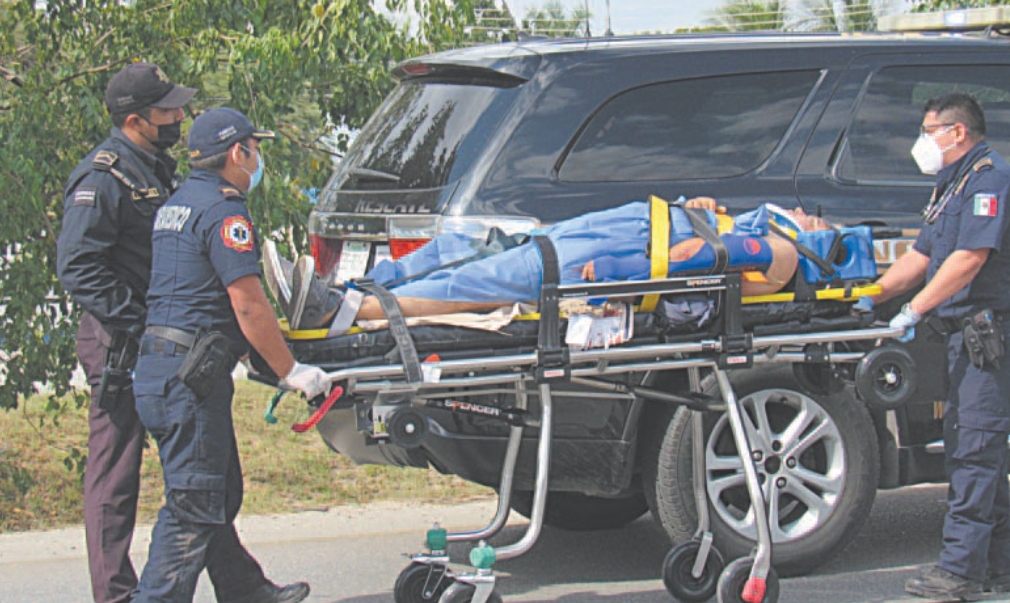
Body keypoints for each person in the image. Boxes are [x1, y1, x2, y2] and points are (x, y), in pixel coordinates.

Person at [130, 108, 332, 603]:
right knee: (194, 504)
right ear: (238, 152)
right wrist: (291, 370)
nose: (257, 159)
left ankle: (245, 590)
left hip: (161, 369)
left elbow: (194, 291)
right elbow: (247, 301)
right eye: (255, 149)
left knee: (216, 489)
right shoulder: (225, 212)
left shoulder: (178, 203)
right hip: (188, 378)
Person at [868, 93, 1010, 600]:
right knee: (980, 451)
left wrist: (914, 310)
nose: (923, 142)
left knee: (972, 453)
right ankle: (995, 566)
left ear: (957, 132)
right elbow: (923, 254)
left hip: (999, 336)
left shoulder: (991, 180)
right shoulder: (954, 184)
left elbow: (969, 258)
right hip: (972, 339)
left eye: (929, 131)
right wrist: (871, 296)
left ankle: (960, 572)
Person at [57, 62, 196, 603]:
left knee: (194, 466)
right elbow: (78, 267)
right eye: (168, 111)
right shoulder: (103, 176)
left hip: (158, 340)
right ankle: (113, 593)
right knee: (115, 478)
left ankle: (242, 584)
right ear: (136, 120)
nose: (179, 117)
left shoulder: (154, 168)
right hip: (121, 344)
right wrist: (137, 323)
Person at [275, 197, 833, 332]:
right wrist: (706, 210)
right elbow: (708, 242)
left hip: (614, 250)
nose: (810, 213)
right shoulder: (755, 227)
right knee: (475, 245)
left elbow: (695, 260)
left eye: (819, 223)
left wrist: (614, 271)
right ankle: (349, 286)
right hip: (624, 224)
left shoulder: (788, 252)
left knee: (486, 278)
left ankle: (347, 311)